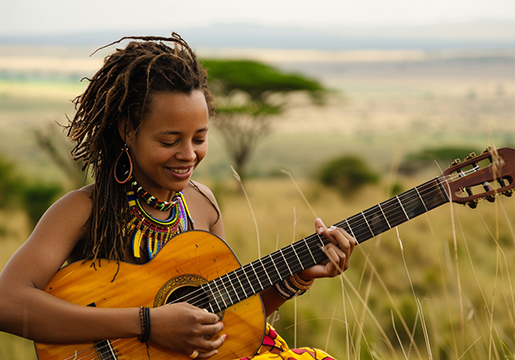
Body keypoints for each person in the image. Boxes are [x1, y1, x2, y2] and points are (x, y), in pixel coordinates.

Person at [0, 33, 356, 360]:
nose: (188, 154)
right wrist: (148, 323)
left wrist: (295, 278)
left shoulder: (204, 205)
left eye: (199, 139)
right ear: (128, 130)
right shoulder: (83, 210)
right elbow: (7, 301)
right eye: (169, 141)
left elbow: (226, 318)